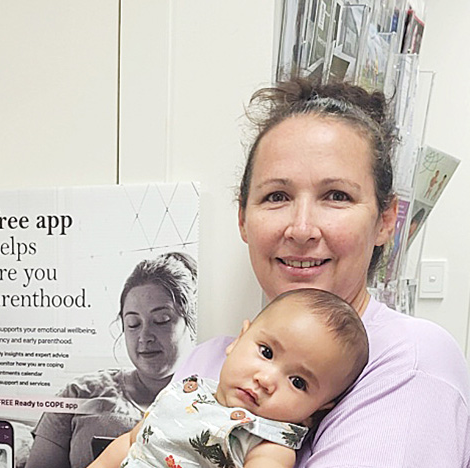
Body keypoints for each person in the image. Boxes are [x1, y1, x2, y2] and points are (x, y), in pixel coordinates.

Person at [87, 78, 470, 468]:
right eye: (277, 196)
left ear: (386, 220)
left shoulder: (411, 359)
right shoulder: (202, 361)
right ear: (243, 218)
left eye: (336, 196)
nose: (301, 229)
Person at [90, 288, 369, 468]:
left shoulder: (268, 443)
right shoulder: (187, 390)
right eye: (267, 352)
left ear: (317, 409)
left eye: (298, 382)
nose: (265, 380)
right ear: (239, 339)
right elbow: (130, 442)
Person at [24, 252, 198, 468]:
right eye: (133, 324)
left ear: (190, 323)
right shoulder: (80, 394)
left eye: (161, 320)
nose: (145, 336)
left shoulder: (218, 402)